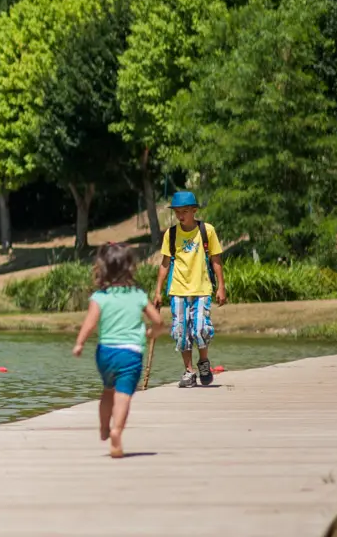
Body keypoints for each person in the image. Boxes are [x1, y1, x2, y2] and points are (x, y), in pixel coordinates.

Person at [71, 243, 161, 458]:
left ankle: (103, 427)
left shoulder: (99, 297)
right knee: (123, 396)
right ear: (130, 268)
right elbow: (158, 320)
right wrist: (152, 332)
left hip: (106, 354)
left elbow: (90, 323)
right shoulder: (138, 295)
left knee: (107, 390)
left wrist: (79, 343)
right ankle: (116, 431)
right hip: (130, 354)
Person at [153, 190, 226, 387]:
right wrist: (158, 291)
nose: (180, 215)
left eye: (184, 211)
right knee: (180, 331)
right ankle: (188, 371)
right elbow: (165, 263)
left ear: (194, 210)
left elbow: (216, 260)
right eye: (177, 212)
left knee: (201, 328)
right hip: (178, 289)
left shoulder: (207, 231)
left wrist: (221, 287)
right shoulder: (172, 233)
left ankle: (203, 362)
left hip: (201, 288)